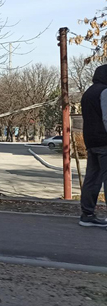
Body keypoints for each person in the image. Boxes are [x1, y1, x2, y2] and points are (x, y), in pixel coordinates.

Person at [79, 64, 107, 227]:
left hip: (91, 141)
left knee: (92, 178)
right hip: (105, 141)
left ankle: (87, 214)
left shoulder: (88, 93)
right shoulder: (104, 91)